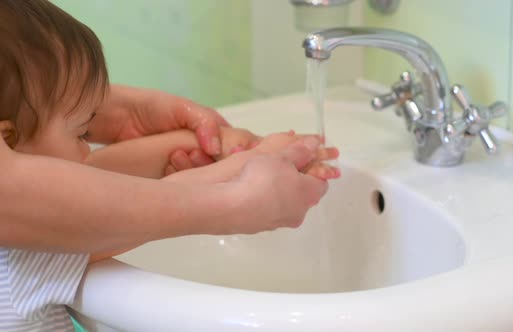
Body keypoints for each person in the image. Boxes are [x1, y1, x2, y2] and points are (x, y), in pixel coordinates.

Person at [0, 0, 339, 331]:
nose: (87, 144)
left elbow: (92, 176)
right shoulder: (27, 254)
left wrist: (204, 144)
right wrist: (253, 164)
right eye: (82, 131)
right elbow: (105, 203)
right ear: (8, 137)